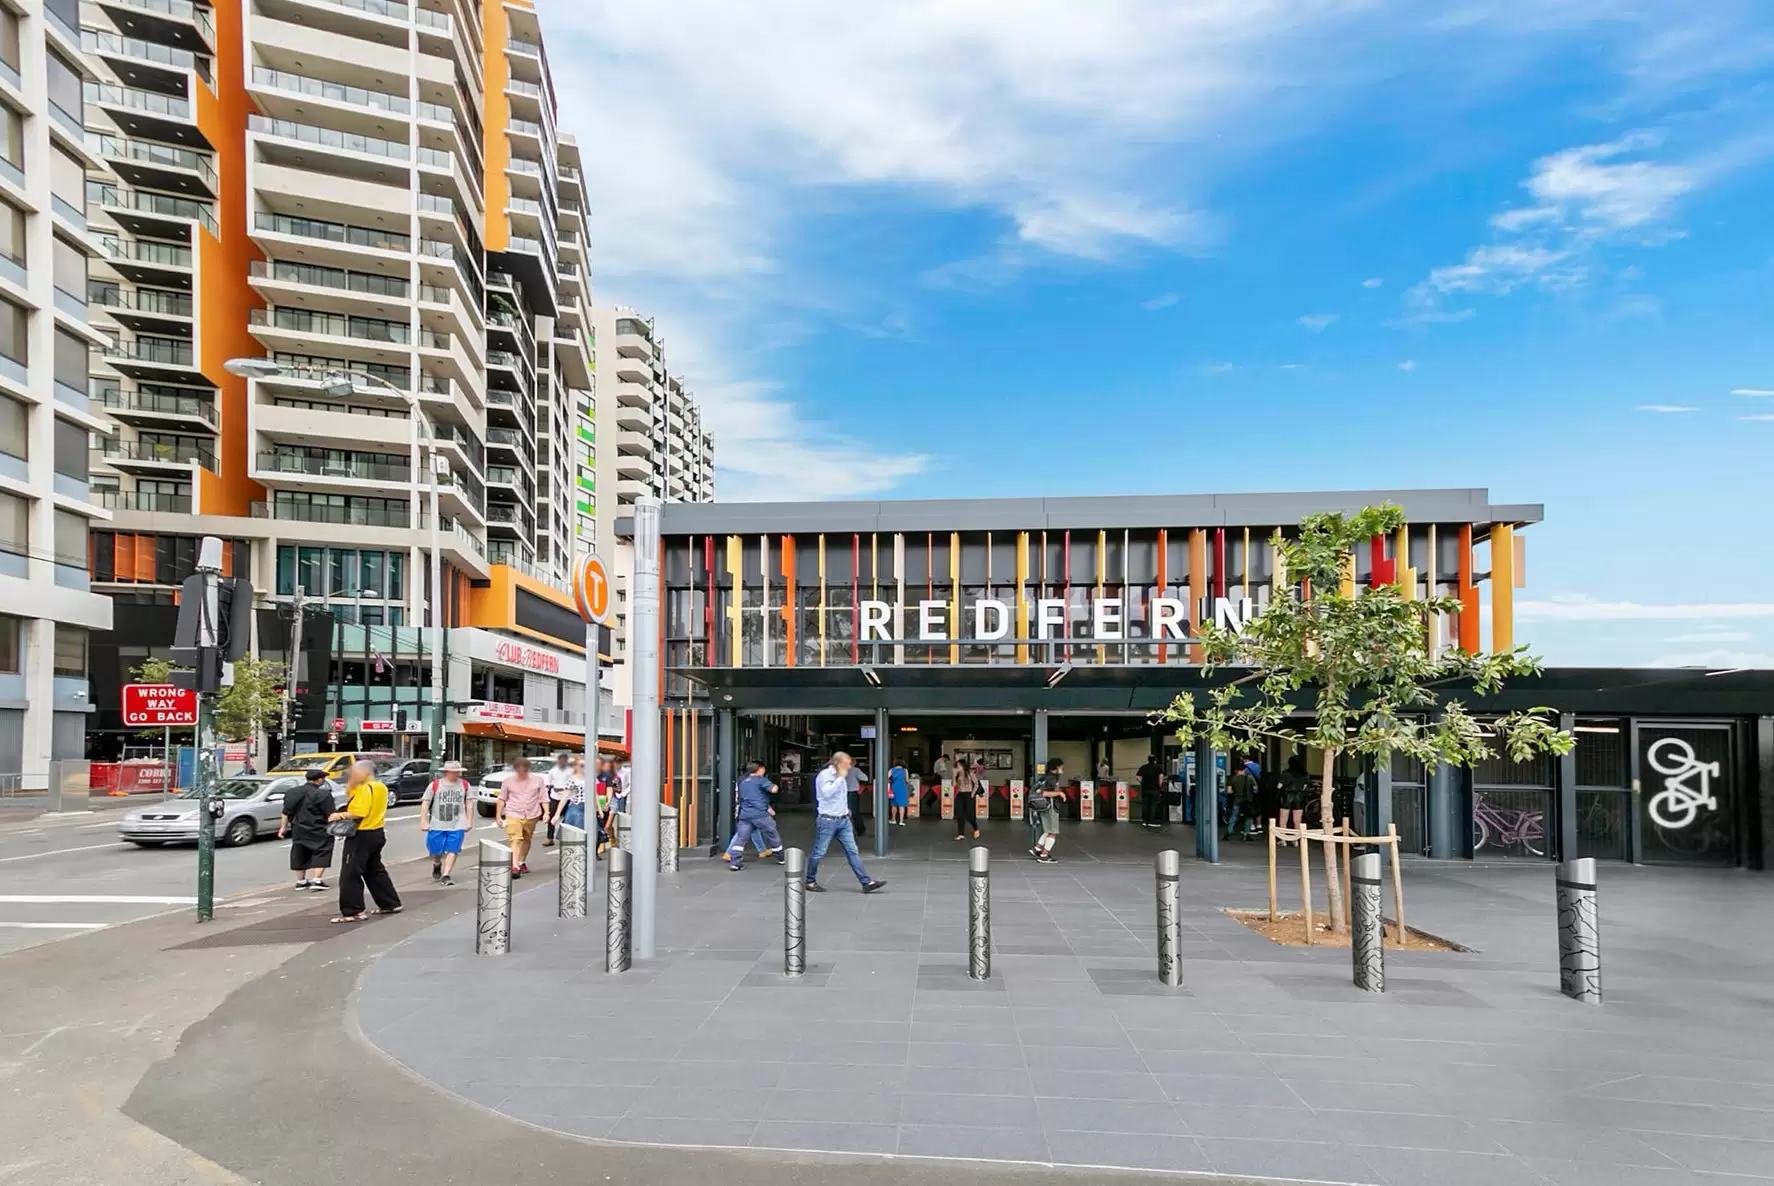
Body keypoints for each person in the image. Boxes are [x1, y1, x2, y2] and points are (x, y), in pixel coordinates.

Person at [329, 760, 401, 923]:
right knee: (374, 869)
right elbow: (351, 794)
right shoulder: (381, 787)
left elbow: (359, 811)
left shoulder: (364, 788)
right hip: (377, 831)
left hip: (361, 834)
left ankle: (353, 910)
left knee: (350, 873)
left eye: (355, 772)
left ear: (365, 772)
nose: (352, 774)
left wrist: (339, 815)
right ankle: (390, 903)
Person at [806, 751, 885, 894]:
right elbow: (827, 793)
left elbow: (841, 796)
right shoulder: (825, 776)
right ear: (838, 763)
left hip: (843, 820)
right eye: (847, 764)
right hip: (827, 820)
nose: (849, 767)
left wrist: (846, 810)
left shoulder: (842, 777)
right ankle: (810, 880)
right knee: (819, 851)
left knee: (852, 851)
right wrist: (840, 779)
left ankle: (866, 882)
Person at [278, 767, 335, 890]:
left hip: (298, 828)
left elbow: (285, 812)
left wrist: (283, 827)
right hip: (319, 827)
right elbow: (330, 814)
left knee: (299, 852)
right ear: (319, 780)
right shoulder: (323, 794)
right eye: (323, 778)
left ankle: (301, 882)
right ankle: (317, 880)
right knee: (322, 851)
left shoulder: (292, 792)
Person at [725, 761, 785, 871]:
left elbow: (746, 797)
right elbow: (773, 789)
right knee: (772, 834)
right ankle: (780, 857)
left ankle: (735, 862)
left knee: (741, 838)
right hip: (760, 814)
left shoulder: (742, 781)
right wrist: (776, 785)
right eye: (763, 769)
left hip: (745, 814)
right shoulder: (760, 779)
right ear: (759, 769)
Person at [495, 754, 548, 877]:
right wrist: (498, 816)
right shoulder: (508, 781)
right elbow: (501, 799)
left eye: (524, 769)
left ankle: (521, 861)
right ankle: (515, 866)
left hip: (532, 814)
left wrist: (547, 812)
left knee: (526, 839)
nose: (521, 772)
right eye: (519, 769)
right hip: (513, 812)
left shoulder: (538, 780)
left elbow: (543, 798)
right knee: (515, 838)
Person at [420, 760, 471, 886]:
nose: (456, 774)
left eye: (458, 772)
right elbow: (425, 803)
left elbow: (469, 804)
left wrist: (469, 821)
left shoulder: (465, 784)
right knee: (435, 850)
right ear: (446, 772)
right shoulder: (435, 785)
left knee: (453, 849)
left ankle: (446, 874)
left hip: (458, 823)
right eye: (453, 772)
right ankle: (437, 863)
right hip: (437, 823)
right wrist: (423, 821)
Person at [1027, 758, 1062, 862]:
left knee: (1048, 830)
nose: (1062, 770)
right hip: (1051, 807)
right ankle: (1044, 854)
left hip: (1043, 806)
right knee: (1053, 832)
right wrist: (1060, 793)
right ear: (1056, 768)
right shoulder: (1052, 779)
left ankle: (1037, 849)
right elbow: (1045, 793)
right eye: (1061, 768)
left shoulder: (1043, 778)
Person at [542, 751, 575, 846]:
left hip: (568, 797)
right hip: (555, 796)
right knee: (551, 817)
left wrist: (563, 789)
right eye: (561, 760)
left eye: (564, 760)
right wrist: (552, 787)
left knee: (567, 818)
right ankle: (550, 838)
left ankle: (566, 837)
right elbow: (549, 783)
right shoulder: (553, 771)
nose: (562, 762)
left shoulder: (571, 771)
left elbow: (573, 785)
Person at [1278, 753, 1310, 843]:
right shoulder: (1305, 775)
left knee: (1283, 819)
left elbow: (1279, 786)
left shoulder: (1286, 773)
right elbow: (1305, 787)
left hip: (1286, 796)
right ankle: (1295, 840)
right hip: (1299, 797)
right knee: (1297, 820)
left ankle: (1283, 839)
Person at [1225, 758, 1260, 842]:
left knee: (1234, 816)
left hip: (1237, 800)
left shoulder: (1232, 778)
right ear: (1244, 769)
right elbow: (1255, 789)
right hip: (1248, 800)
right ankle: (1246, 835)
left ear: (1236, 770)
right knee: (1248, 817)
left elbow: (1229, 791)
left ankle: (1229, 831)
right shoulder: (1250, 778)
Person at [953, 759, 980, 840]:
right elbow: (953, 784)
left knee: (969, 815)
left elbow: (976, 784)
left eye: (958, 766)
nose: (957, 767)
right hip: (960, 795)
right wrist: (953, 775)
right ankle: (961, 834)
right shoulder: (957, 774)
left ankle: (976, 828)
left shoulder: (970, 773)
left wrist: (972, 793)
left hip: (968, 795)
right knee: (959, 814)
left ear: (963, 766)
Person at [1137, 754, 1165, 830]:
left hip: (1145, 788)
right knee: (1153, 804)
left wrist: (1142, 782)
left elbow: (1138, 777)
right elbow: (1161, 777)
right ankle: (1151, 821)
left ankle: (1145, 821)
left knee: (1145, 804)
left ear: (1148, 760)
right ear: (1155, 760)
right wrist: (1160, 785)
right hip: (1155, 788)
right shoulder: (1158, 767)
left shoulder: (1143, 767)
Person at [887, 760, 909, 827]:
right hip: (902, 789)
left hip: (894, 788)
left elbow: (887, 779)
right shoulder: (905, 770)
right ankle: (901, 821)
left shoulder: (891, 770)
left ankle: (893, 819)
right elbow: (907, 781)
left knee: (894, 805)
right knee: (902, 805)